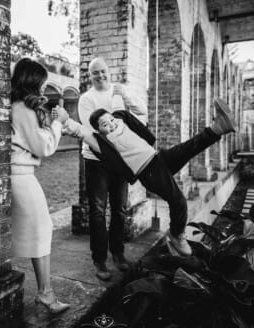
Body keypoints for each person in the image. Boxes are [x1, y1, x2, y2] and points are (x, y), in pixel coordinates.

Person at [63, 97, 237, 257]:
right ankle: (177, 234)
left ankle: (219, 127)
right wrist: (65, 120)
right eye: (105, 125)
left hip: (158, 158)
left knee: (190, 147)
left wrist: (119, 93)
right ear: (100, 131)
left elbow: (118, 105)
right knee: (179, 201)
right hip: (149, 172)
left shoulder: (121, 120)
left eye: (111, 120)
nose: (111, 124)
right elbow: (82, 132)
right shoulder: (103, 142)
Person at [78, 57, 147, 281]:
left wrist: (124, 95)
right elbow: (94, 131)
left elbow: (141, 110)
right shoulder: (86, 99)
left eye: (103, 71)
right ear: (91, 76)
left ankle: (118, 253)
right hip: (96, 159)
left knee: (120, 208)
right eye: (95, 73)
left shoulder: (120, 92)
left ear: (110, 72)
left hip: (120, 159)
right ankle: (99, 259)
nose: (100, 75)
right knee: (98, 211)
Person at [11, 57, 70, 313]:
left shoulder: (15, 106)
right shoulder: (23, 108)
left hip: (18, 173)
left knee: (38, 229)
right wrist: (58, 122)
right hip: (21, 175)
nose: (44, 88)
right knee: (42, 228)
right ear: (33, 81)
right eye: (42, 83)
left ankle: (46, 292)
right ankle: (45, 293)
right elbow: (43, 146)